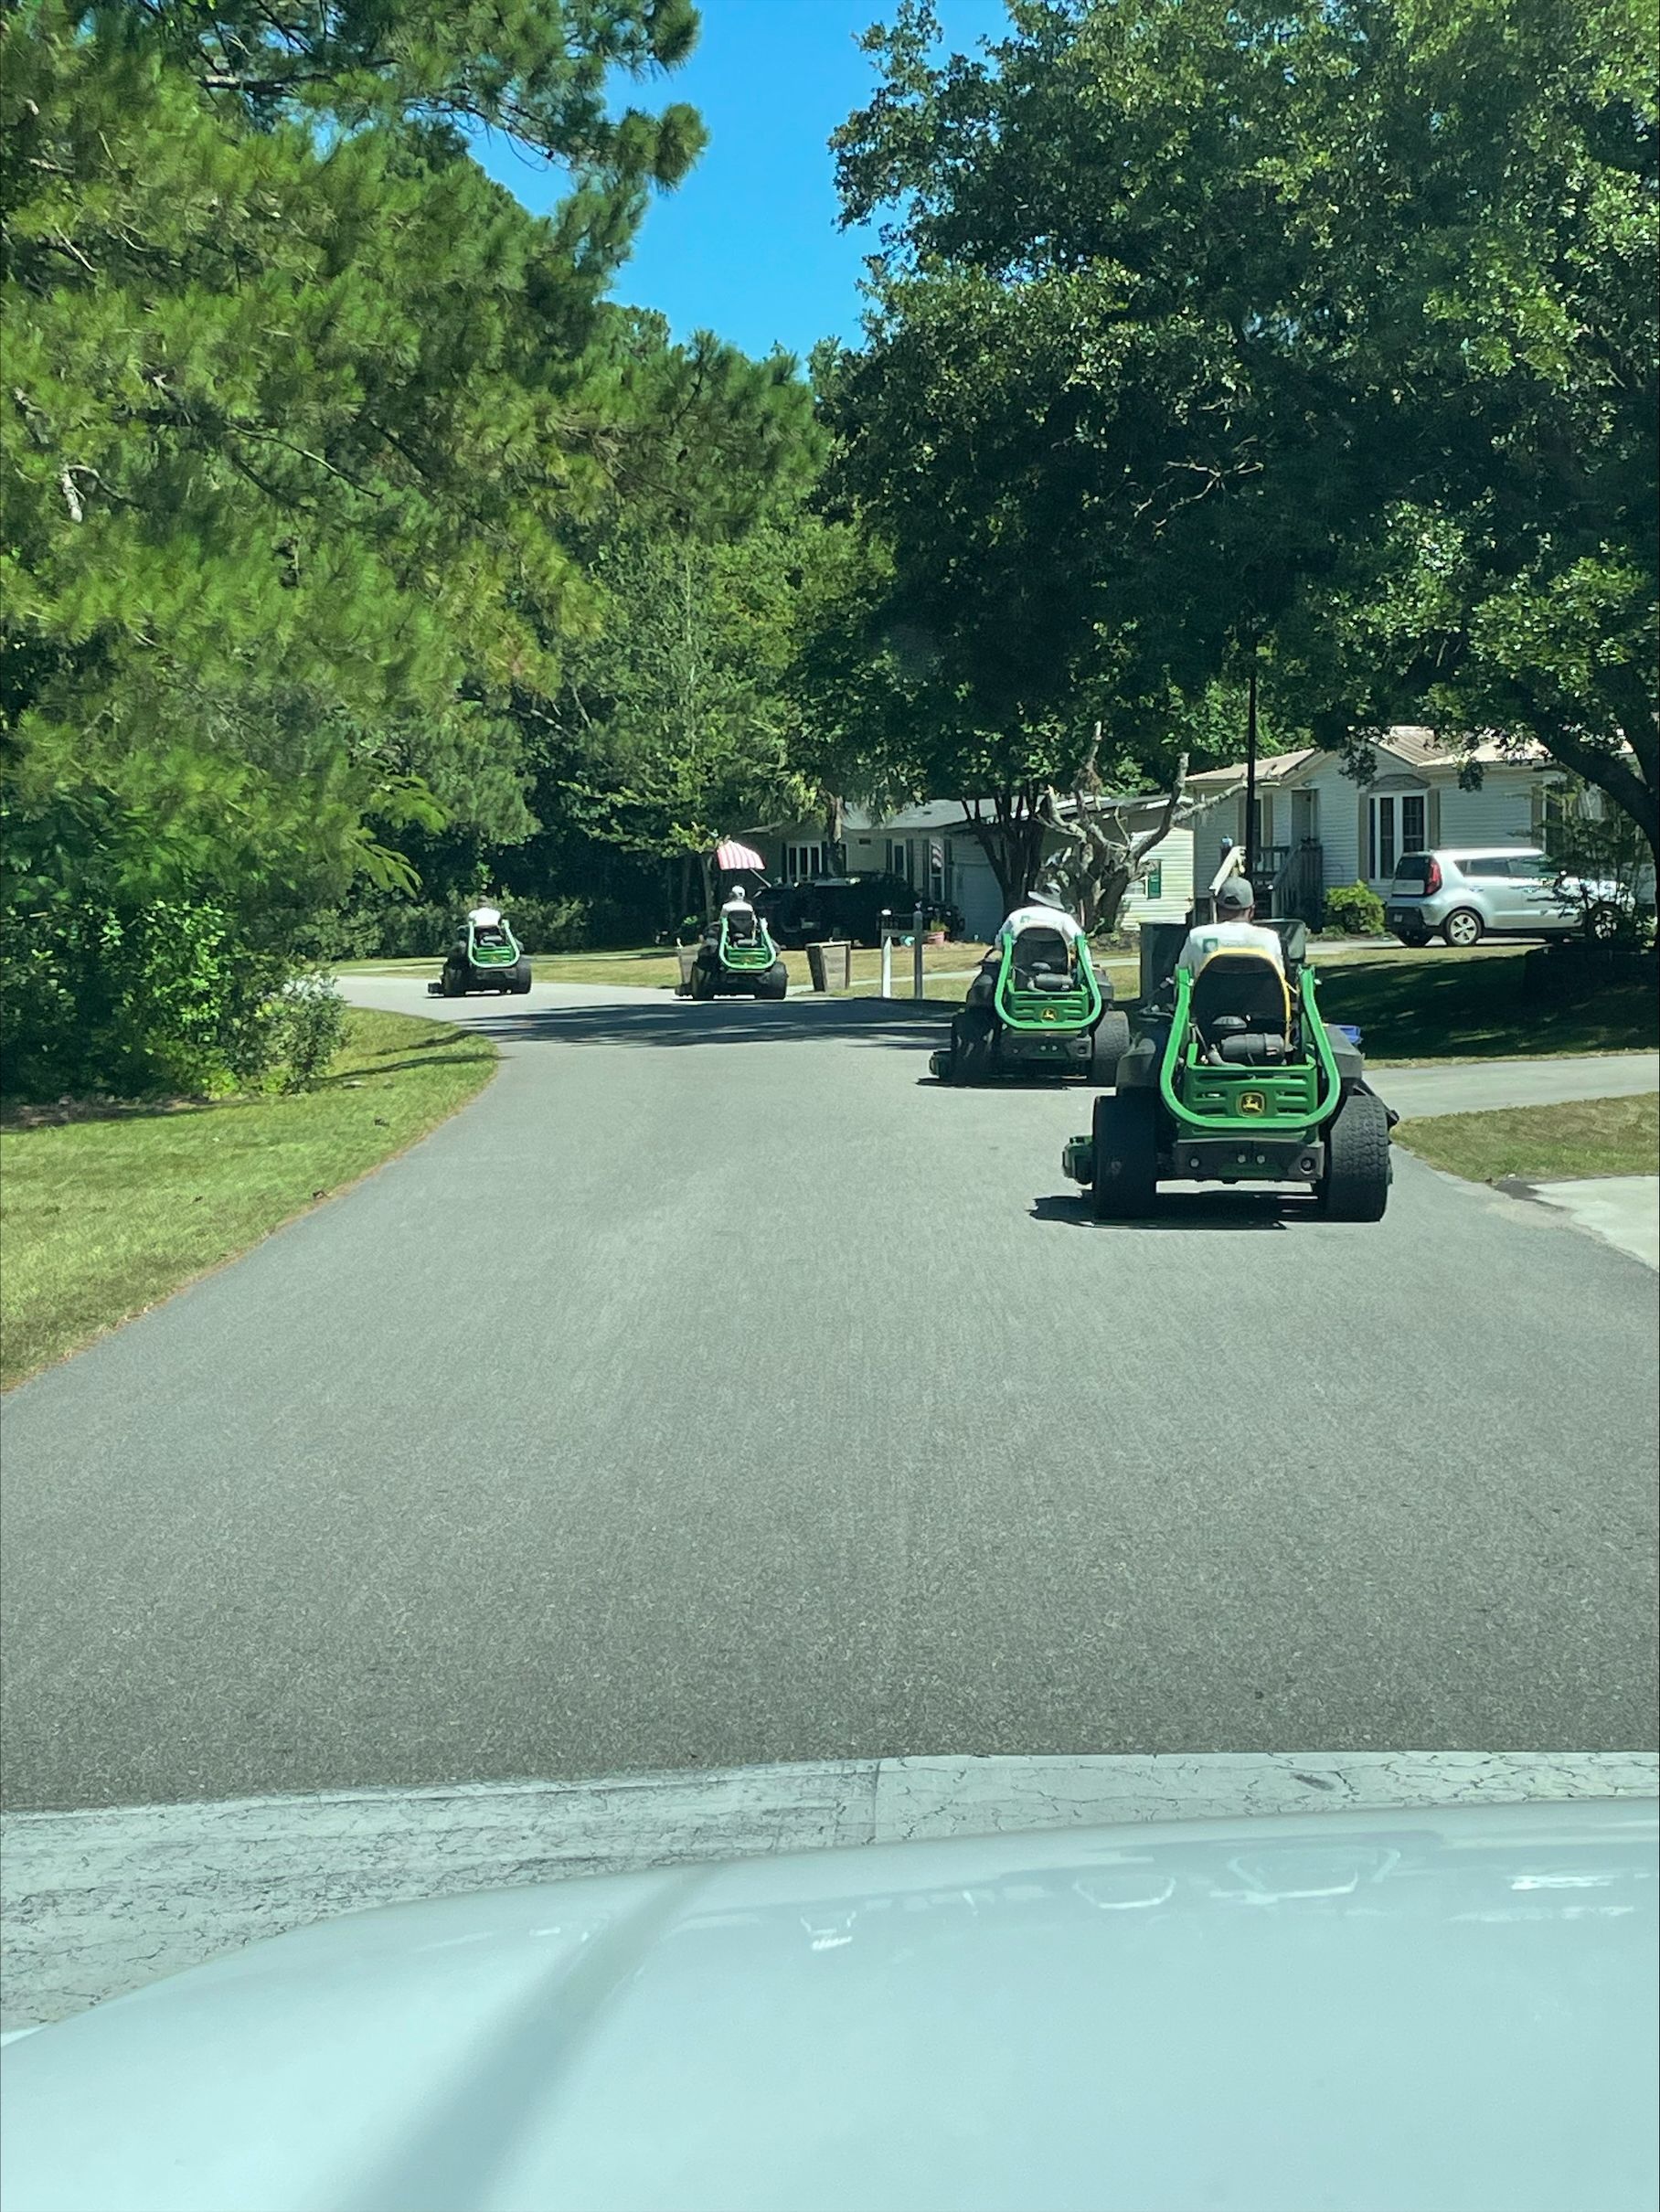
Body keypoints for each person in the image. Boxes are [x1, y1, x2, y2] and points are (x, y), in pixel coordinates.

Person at [1176, 877, 1284, 974]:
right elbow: (1279, 976)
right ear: (1251, 911)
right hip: (1261, 997)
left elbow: (1182, 973)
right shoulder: (1269, 939)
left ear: (1217, 909)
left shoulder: (1197, 937)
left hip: (1209, 996)